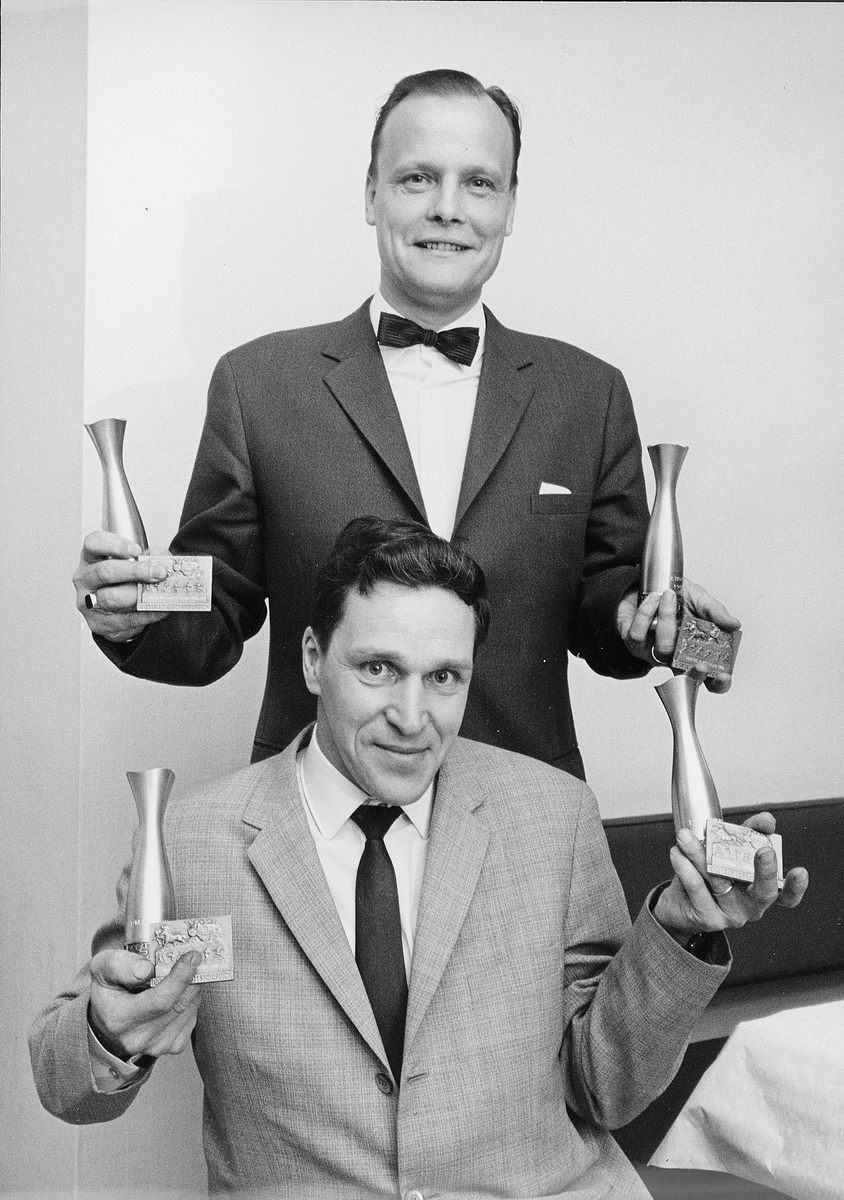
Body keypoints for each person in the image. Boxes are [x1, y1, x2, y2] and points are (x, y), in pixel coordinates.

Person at [37, 518, 803, 1199]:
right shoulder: (193, 838)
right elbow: (64, 1082)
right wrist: (110, 1030)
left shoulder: (555, 815)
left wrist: (681, 930)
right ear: (313, 660)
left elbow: (606, 1088)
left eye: (443, 678)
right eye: (378, 669)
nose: (412, 718)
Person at [73, 68, 739, 778]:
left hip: (526, 808)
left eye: (478, 183)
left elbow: (612, 613)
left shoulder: (588, 395)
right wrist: (131, 613)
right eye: (418, 179)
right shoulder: (258, 384)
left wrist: (664, 626)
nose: (447, 209)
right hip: (316, 809)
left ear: (510, 206)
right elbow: (212, 616)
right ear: (371, 194)